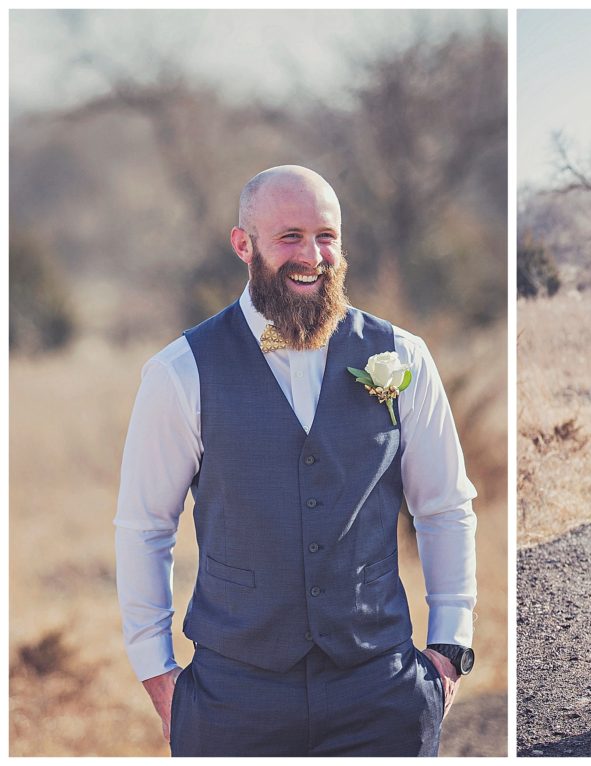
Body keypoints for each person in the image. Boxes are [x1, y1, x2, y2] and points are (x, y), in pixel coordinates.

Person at [114, 165, 478, 756]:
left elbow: (445, 507)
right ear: (243, 244)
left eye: (326, 235)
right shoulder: (180, 371)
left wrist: (449, 650)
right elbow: (143, 528)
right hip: (233, 697)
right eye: (290, 237)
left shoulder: (402, 356)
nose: (313, 254)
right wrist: (158, 673)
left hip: (382, 689)